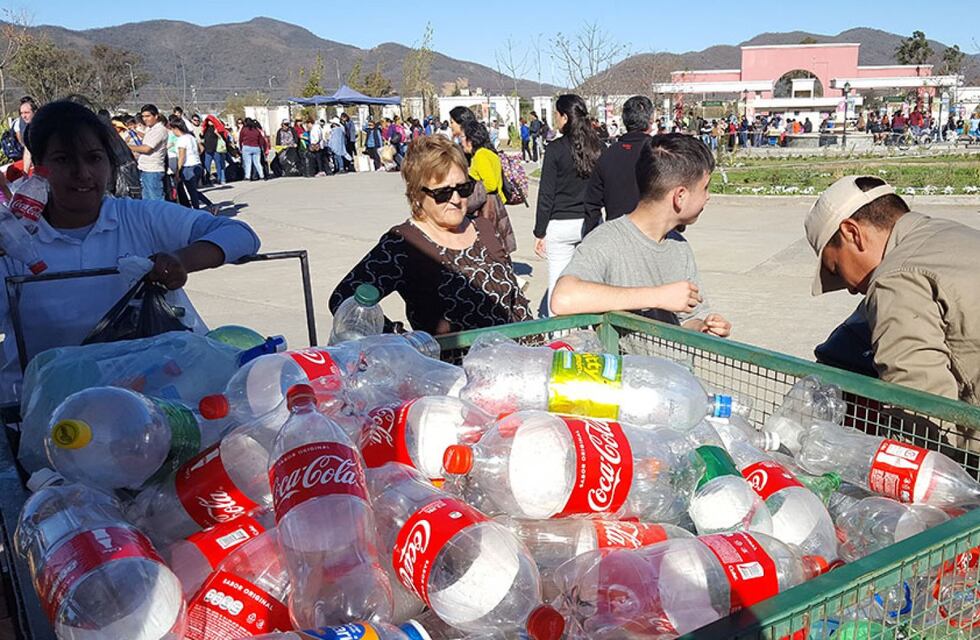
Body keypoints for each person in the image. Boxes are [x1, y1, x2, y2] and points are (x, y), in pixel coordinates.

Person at [0, 99, 260, 402]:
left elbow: (240, 235)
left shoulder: (137, 217)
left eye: (94, 158)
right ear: (39, 170)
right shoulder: (14, 240)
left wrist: (180, 261)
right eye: (63, 160)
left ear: (110, 164)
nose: (82, 172)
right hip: (41, 410)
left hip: (148, 406)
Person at [804, 175, 980, 445]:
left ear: (852, 233)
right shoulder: (949, 234)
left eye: (836, 270)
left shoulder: (895, 278)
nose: (850, 289)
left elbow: (922, 409)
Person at [330, 135, 531, 334]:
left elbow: (517, 304)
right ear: (417, 194)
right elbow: (343, 299)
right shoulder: (404, 243)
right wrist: (402, 340)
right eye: (443, 193)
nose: (456, 199)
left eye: (463, 188)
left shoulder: (483, 228)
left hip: (510, 360)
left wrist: (541, 350)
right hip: (448, 365)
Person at [549, 133, 732, 339]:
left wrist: (702, 327)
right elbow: (563, 298)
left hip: (676, 370)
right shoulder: (606, 241)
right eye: (704, 188)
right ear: (679, 196)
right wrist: (657, 296)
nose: (708, 196)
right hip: (631, 370)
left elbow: (689, 317)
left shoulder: (679, 246)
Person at [533, 94, 604, 316]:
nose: (555, 119)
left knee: (557, 282)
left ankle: (559, 336)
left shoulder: (555, 149)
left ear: (564, 117)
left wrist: (540, 231)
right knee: (589, 281)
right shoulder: (599, 148)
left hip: (560, 224)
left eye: (556, 114)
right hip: (591, 222)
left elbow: (546, 194)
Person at [583, 95, 654, 229]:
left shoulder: (608, 155)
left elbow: (592, 202)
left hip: (616, 232)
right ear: (651, 120)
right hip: (653, 233)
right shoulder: (660, 152)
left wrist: (592, 233)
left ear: (624, 120)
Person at [460, 119, 516, 253]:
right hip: (495, 205)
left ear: (471, 139)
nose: (460, 141)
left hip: (487, 208)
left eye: (462, 137)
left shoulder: (480, 155)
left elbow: (490, 184)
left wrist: (472, 193)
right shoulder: (489, 153)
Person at [169, 116, 218, 214]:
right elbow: (201, 149)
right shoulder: (191, 137)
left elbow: (182, 156)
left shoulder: (181, 140)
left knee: (192, 192)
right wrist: (195, 155)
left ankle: (198, 211)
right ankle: (210, 206)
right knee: (193, 190)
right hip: (197, 165)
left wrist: (178, 171)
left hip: (188, 167)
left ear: (176, 128)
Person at [130, 104, 168, 200]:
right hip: (145, 169)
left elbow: (147, 148)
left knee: (156, 202)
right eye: (143, 116)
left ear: (156, 116)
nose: (145, 119)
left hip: (152, 171)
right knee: (147, 202)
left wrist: (128, 147)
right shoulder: (151, 129)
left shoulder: (159, 130)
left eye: (148, 116)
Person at [14, 96, 37, 173]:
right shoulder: (27, 129)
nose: (23, 116)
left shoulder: (44, 127)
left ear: (34, 112)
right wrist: (25, 173)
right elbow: (27, 151)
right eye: (21, 113)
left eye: (26, 112)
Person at [201, 119, 225, 186]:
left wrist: (217, 133)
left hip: (216, 149)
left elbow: (222, 137)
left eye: (211, 121)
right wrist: (202, 133)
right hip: (208, 150)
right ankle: (208, 180)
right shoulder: (205, 129)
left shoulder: (216, 128)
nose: (210, 122)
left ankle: (219, 179)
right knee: (207, 166)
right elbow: (202, 137)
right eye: (208, 121)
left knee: (218, 165)